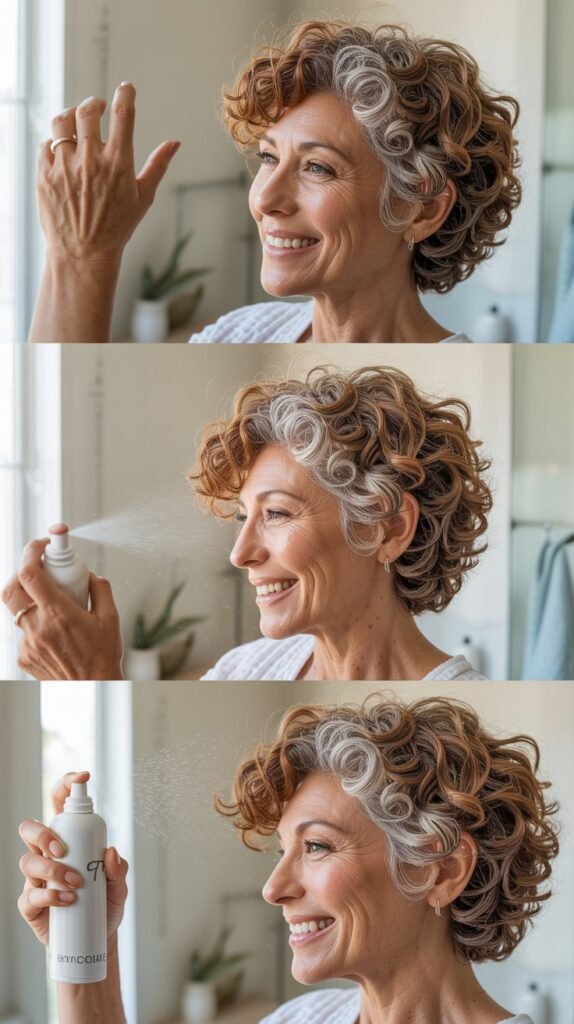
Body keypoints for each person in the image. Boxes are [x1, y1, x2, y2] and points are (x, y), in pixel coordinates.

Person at [17, 697, 560, 1022]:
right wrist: (84, 940)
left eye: (317, 846)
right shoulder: (304, 1017)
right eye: (283, 851)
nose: (273, 889)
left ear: (439, 869)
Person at [29, 21, 521, 344]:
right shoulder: (236, 335)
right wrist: (75, 254)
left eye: (317, 167)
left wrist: (83, 260)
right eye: (268, 156)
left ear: (421, 207)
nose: (264, 198)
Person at [3, 366, 492, 681]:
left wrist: (93, 679)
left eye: (276, 513)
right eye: (243, 516)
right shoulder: (245, 668)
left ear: (386, 528)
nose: (240, 554)